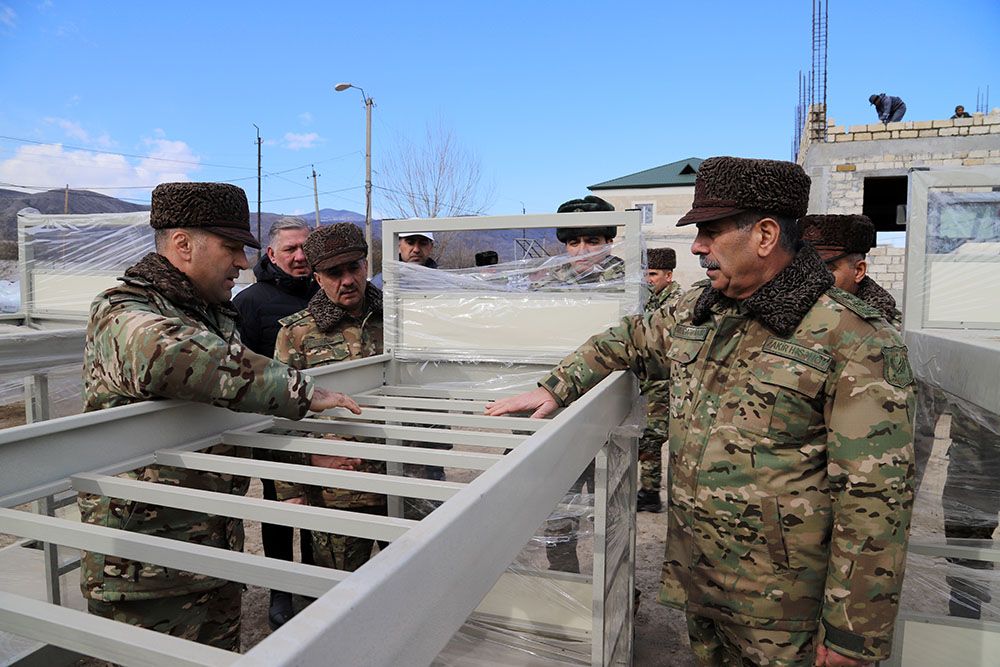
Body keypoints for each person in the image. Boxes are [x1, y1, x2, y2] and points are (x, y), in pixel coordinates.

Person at [487, 157, 915, 666]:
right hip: (700, 578)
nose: (696, 247)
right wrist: (557, 387)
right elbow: (627, 338)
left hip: (781, 607)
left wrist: (852, 635)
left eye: (709, 232)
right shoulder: (698, 309)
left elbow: (875, 499)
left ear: (764, 234)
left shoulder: (852, 336)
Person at [79, 182, 360, 651]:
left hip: (214, 548)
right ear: (183, 244)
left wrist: (306, 456)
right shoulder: (123, 311)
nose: (243, 263)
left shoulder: (213, 316)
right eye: (231, 247)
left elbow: (235, 412)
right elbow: (172, 358)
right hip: (147, 566)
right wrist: (303, 391)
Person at [274, 222, 386, 572]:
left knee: (421, 581)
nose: (348, 280)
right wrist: (291, 485)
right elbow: (280, 414)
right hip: (338, 491)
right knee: (336, 588)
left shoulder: (398, 319)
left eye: (354, 268)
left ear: (367, 265)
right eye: (334, 273)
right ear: (317, 278)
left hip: (402, 479)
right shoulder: (297, 333)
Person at [232, 216, 317, 629]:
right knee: (282, 507)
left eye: (306, 248)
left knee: (322, 504)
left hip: (323, 423)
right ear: (271, 254)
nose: (301, 257)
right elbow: (236, 369)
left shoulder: (327, 292)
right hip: (276, 427)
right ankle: (281, 589)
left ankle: (317, 582)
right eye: (290, 250)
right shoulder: (250, 303)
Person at [539, 195, 623, 573]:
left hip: (612, 421)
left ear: (608, 241)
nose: (583, 251)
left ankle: (619, 590)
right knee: (558, 512)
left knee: (613, 514)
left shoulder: (628, 282)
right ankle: (565, 581)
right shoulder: (546, 286)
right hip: (559, 419)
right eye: (574, 242)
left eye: (593, 241)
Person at [637, 247, 682, 513]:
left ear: (668, 274)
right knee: (645, 436)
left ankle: (651, 494)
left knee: (652, 437)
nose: (647, 278)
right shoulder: (650, 298)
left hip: (663, 380)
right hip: (648, 378)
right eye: (644, 273)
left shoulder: (676, 300)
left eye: (652, 273)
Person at [798, 214, 901, 327]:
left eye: (826, 270)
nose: (812, 279)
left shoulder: (888, 330)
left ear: (858, 271)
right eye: (806, 267)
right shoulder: (789, 319)